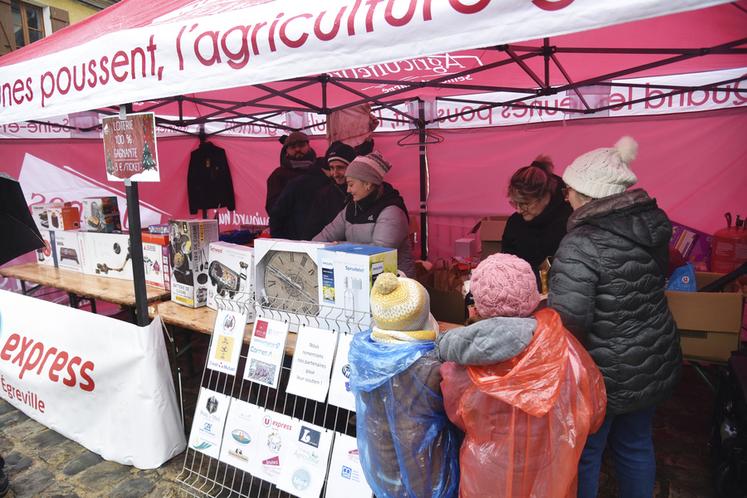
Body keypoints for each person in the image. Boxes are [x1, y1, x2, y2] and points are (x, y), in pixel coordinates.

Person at [548, 136, 682, 498]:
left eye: (570, 188)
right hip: (652, 353)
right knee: (636, 444)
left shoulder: (582, 243)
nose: (565, 196)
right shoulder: (650, 225)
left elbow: (569, 321)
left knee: (587, 453)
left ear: (588, 194)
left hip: (605, 370)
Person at [438, 253, 606, 498]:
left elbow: (456, 412)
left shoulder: (465, 360)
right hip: (550, 464)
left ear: (480, 302)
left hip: (489, 468)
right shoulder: (563, 345)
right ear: (531, 293)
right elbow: (592, 408)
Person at [348, 272, 461, 498]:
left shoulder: (365, 356)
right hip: (428, 473)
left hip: (383, 468)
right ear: (422, 318)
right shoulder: (432, 365)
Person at [313, 151, 416, 277]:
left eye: (351, 184)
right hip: (361, 273)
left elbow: (379, 251)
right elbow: (327, 234)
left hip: (394, 280)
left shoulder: (392, 211)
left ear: (367, 184)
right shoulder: (352, 207)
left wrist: (339, 247)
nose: (348, 190)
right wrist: (310, 248)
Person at [502, 156, 572, 285]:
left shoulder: (570, 221)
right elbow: (506, 265)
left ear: (545, 196)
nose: (518, 210)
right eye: (515, 203)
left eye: (524, 203)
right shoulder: (514, 223)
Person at [301, 141, 357, 240]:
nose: (335, 173)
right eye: (331, 168)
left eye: (340, 167)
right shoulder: (324, 194)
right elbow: (311, 230)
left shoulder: (364, 193)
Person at [264, 131, 317, 214]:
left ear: (308, 147)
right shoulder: (278, 175)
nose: (298, 149)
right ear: (287, 151)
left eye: (301, 145)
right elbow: (272, 209)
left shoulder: (318, 170)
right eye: (293, 147)